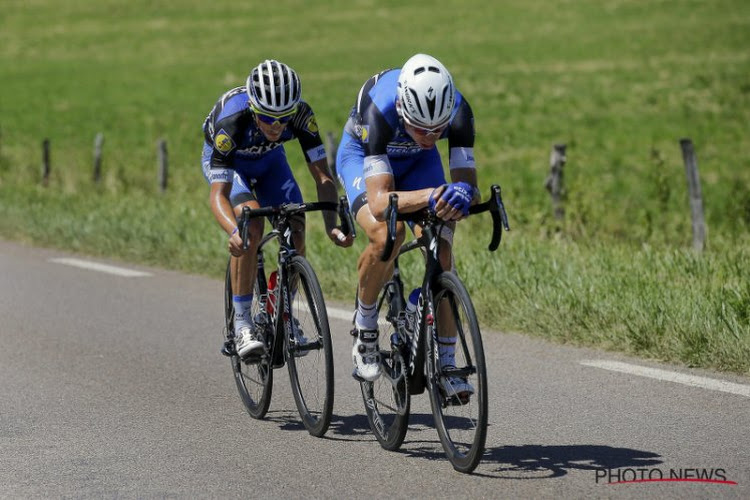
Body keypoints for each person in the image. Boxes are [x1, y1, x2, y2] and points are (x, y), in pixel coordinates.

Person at [336, 53, 479, 398]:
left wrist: (462, 194)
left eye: (437, 130)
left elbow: (466, 184)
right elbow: (381, 201)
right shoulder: (379, 110)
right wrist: (432, 195)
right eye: (420, 128)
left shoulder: (458, 112)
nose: (430, 136)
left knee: (443, 249)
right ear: (402, 108)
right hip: (364, 157)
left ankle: (446, 364)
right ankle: (366, 328)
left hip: (417, 162)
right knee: (388, 234)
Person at [201, 59, 352, 357]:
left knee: (296, 221)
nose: (277, 126)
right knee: (251, 225)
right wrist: (233, 230)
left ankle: (281, 310)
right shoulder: (231, 124)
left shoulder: (301, 116)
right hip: (232, 166)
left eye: (283, 119)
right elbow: (219, 194)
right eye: (268, 119)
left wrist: (331, 223)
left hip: (270, 163)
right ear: (254, 109)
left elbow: (322, 176)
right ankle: (242, 324)